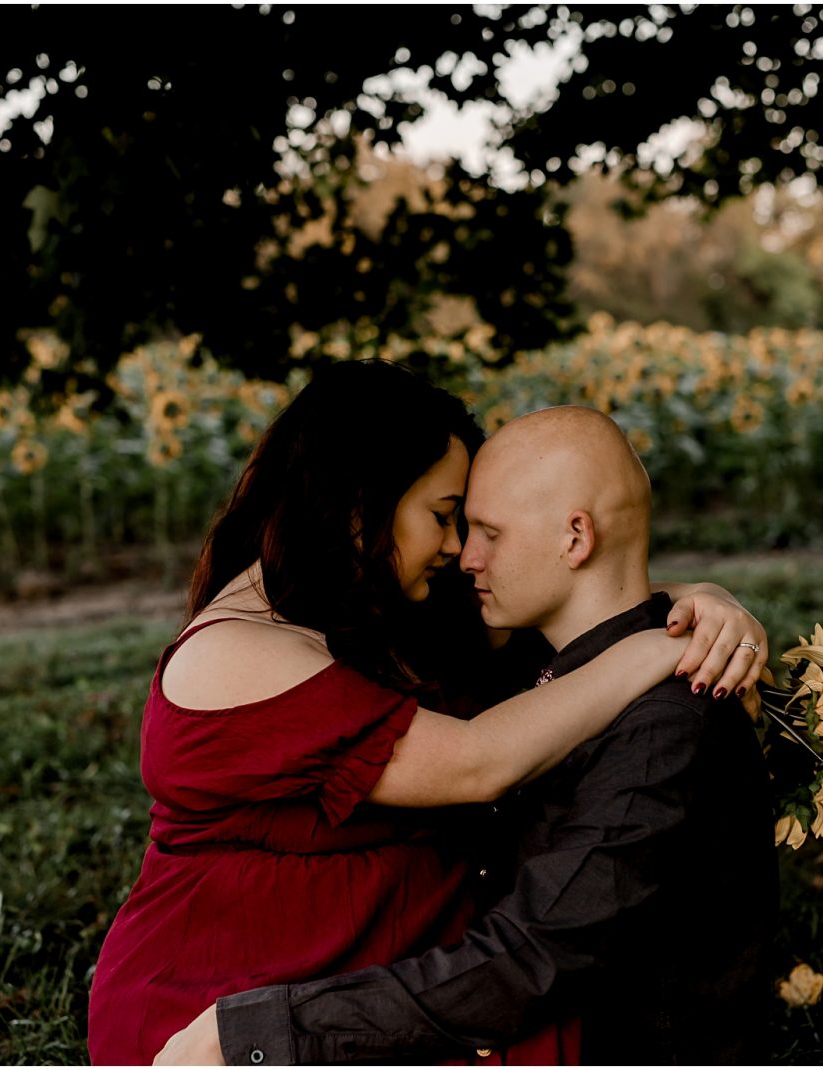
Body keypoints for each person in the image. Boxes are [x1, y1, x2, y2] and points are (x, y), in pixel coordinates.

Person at [87, 363, 770, 1065]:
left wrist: (701, 601)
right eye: (445, 517)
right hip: (216, 1011)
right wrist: (652, 651)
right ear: (360, 499)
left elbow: (573, 584)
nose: (457, 550)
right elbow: (480, 761)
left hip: (362, 996)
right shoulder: (238, 651)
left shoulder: (369, 606)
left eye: (475, 528)